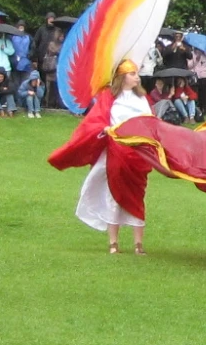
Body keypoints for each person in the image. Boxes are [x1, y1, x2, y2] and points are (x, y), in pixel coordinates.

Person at [52, 58, 156, 253]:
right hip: (116, 151)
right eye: (132, 74)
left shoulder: (143, 98)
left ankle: (138, 244)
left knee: (137, 195)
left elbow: (151, 122)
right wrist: (105, 129)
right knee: (113, 195)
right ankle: (113, 243)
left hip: (138, 153)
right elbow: (96, 121)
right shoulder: (109, 97)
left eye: (136, 73)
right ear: (122, 77)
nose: (137, 77)